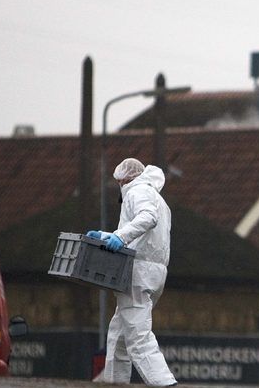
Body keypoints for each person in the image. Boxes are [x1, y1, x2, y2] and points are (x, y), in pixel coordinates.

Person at [87, 158, 177, 387]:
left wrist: (119, 237)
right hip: (154, 271)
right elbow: (143, 235)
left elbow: (147, 219)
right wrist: (107, 236)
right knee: (118, 334)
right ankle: (115, 382)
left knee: (138, 337)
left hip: (138, 272)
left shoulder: (137, 192)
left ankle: (165, 383)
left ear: (123, 179)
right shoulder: (157, 197)